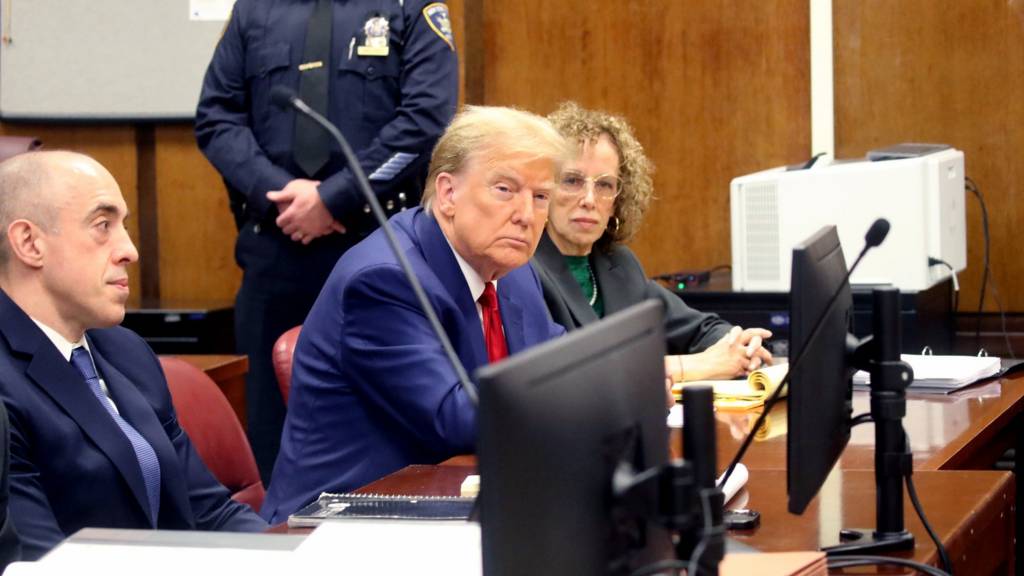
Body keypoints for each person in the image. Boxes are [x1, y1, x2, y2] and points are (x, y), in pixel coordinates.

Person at [261, 106, 569, 522]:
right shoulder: (385, 280)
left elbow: (558, 361)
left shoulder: (513, 269)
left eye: (540, 197)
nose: (525, 215)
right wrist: (590, 398)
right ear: (447, 194)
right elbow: (456, 420)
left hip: (457, 496)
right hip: (341, 524)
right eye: (504, 189)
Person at [194, 0, 459, 479]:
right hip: (276, 251)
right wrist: (281, 197)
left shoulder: (410, 8)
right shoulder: (256, 10)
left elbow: (426, 119)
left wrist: (335, 198)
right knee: (271, 437)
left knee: (388, 425)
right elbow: (216, 117)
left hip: (379, 253)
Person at [0, 152, 267, 559]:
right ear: (29, 243)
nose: (129, 250)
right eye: (102, 226)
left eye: (123, 226)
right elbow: (41, 561)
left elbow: (208, 512)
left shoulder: (123, 349)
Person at [534, 102, 773, 382]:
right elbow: (574, 374)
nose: (589, 199)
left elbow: (699, 329)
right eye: (572, 181)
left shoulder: (619, 264)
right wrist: (691, 367)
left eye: (604, 185)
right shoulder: (524, 270)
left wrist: (738, 346)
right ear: (544, 189)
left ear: (617, 201)